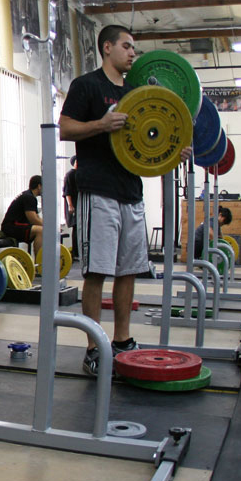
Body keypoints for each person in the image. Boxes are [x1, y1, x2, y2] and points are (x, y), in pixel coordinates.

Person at [59, 24, 192, 375]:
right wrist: (101, 125)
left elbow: (149, 138)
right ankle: (93, 346)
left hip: (131, 192)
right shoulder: (86, 85)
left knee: (128, 271)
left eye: (134, 48)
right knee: (97, 272)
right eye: (127, 46)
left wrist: (170, 150)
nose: (133, 53)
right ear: (107, 48)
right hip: (97, 189)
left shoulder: (136, 92)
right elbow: (66, 129)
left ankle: (122, 340)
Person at [1, 176, 43, 257]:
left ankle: (40, 262)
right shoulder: (29, 197)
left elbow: (37, 218)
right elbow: (33, 219)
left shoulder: (29, 195)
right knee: (41, 231)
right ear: (39, 186)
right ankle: (40, 264)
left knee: (42, 229)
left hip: (15, 226)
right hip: (11, 227)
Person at [63, 156, 78, 259]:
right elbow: (67, 192)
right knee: (76, 228)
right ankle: (76, 253)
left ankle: (78, 252)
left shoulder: (79, 174)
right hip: (73, 205)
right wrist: (70, 205)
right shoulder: (70, 174)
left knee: (80, 228)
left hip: (79, 204)